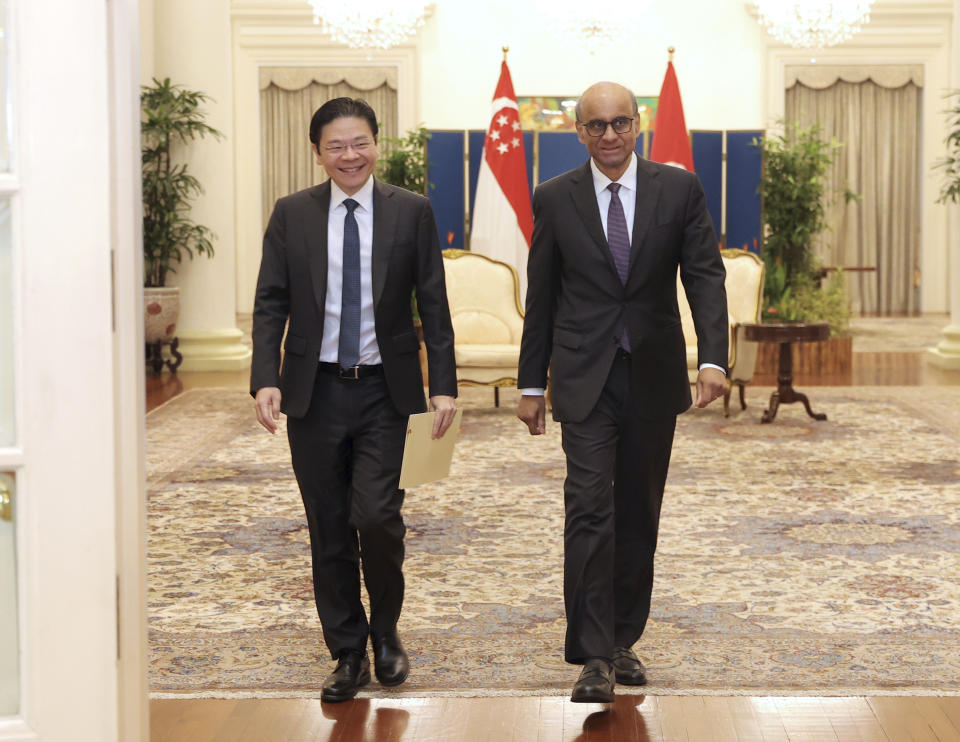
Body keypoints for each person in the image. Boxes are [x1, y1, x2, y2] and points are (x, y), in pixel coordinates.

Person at [516, 81, 728, 703]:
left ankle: (621, 640)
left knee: (638, 510)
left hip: (653, 376)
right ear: (578, 132)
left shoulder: (678, 188)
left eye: (619, 123)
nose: (609, 135)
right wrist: (532, 383)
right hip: (584, 378)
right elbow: (543, 296)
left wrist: (712, 356)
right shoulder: (555, 199)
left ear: (637, 125)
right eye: (595, 126)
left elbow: (706, 276)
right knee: (588, 508)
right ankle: (591, 656)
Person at [251, 97, 458, 703]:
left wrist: (441, 383)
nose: (350, 155)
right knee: (329, 525)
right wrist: (267, 376)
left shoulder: (410, 211)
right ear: (318, 153)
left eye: (360, 142)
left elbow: (434, 303)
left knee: (376, 516)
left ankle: (386, 631)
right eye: (336, 146)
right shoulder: (292, 215)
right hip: (313, 393)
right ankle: (346, 651)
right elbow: (270, 302)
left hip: (384, 393)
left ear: (376, 143)